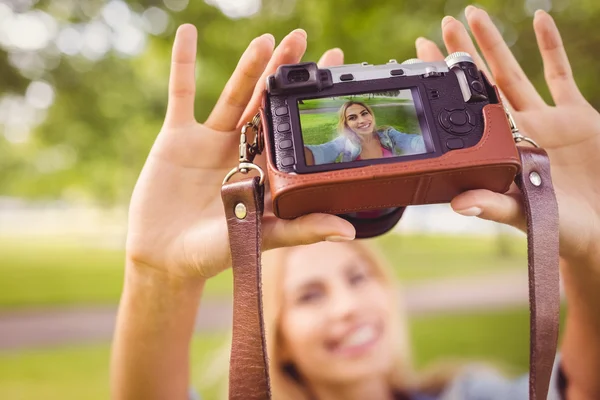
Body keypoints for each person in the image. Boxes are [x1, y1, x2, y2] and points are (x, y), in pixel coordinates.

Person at [110, 6, 600, 400]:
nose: (346, 308)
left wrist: (594, 252)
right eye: (309, 295)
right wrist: (160, 276)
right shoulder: (330, 151)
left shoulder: (468, 391)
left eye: (357, 276)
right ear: (275, 337)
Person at [303, 101, 426, 165]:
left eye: (364, 113)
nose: (362, 120)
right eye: (352, 118)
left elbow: (411, 141)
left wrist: (433, 141)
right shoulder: (345, 142)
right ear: (346, 125)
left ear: (371, 114)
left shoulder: (388, 134)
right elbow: (324, 151)